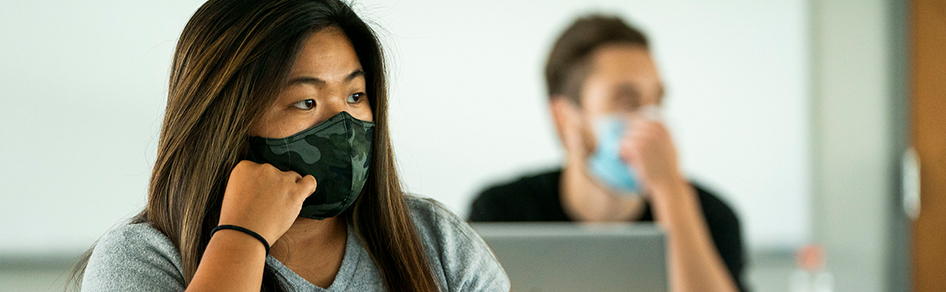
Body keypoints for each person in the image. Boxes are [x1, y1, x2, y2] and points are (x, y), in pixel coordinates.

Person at [70, 0, 510, 291]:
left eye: (355, 96)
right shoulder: (140, 258)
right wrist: (242, 238)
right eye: (306, 101)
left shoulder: (431, 238)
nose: (343, 123)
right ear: (226, 122)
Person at [469, 15, 746, 292]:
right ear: (563, 118)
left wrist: (669, 190)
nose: (650, 121)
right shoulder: (501, 212)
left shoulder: (713, 217)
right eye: (626, 100)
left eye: (658, 100)